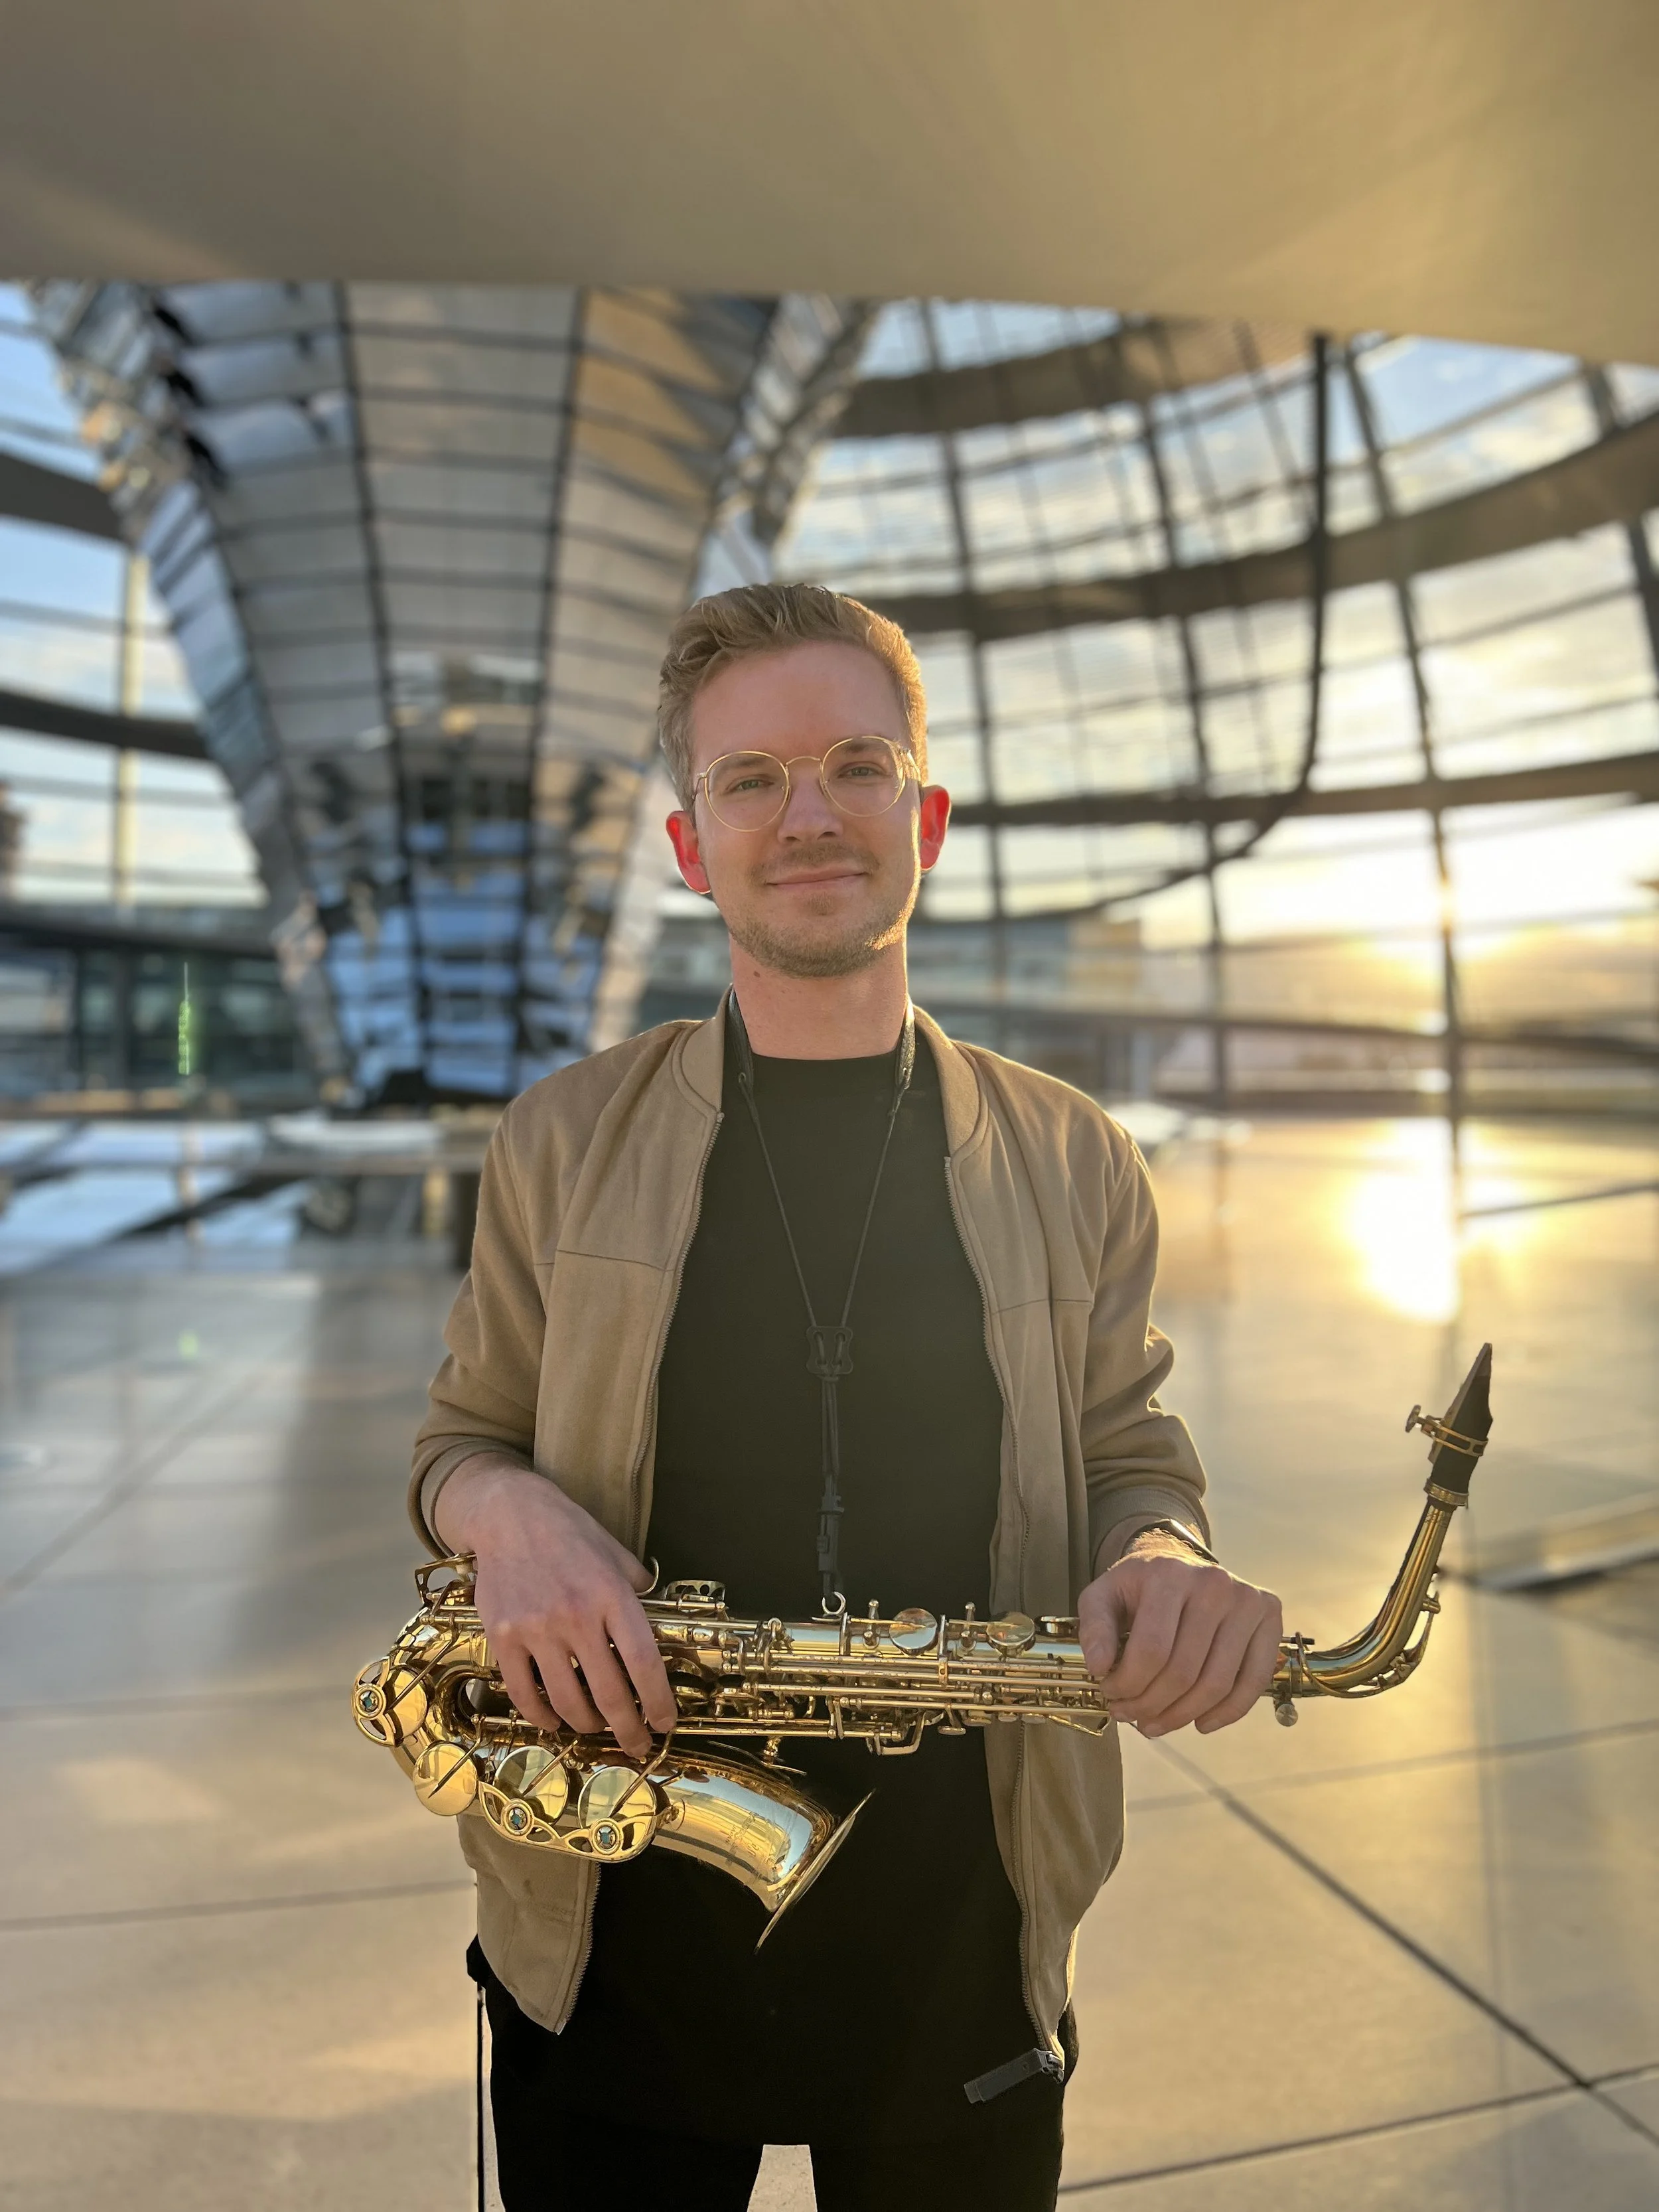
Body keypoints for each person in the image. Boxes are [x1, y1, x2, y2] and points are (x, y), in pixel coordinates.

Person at [410, 583, 1283, 2211]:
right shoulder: (558, 1134)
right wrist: (506, 1509)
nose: (806, 815)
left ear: (925, 816)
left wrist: (1159, 1552)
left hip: (960, 1943)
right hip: (611, 1938)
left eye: (855, 766)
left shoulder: (1074, 1149)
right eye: (750, 780)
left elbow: (1127, 1444)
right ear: (689, 846)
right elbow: (458, 1442)